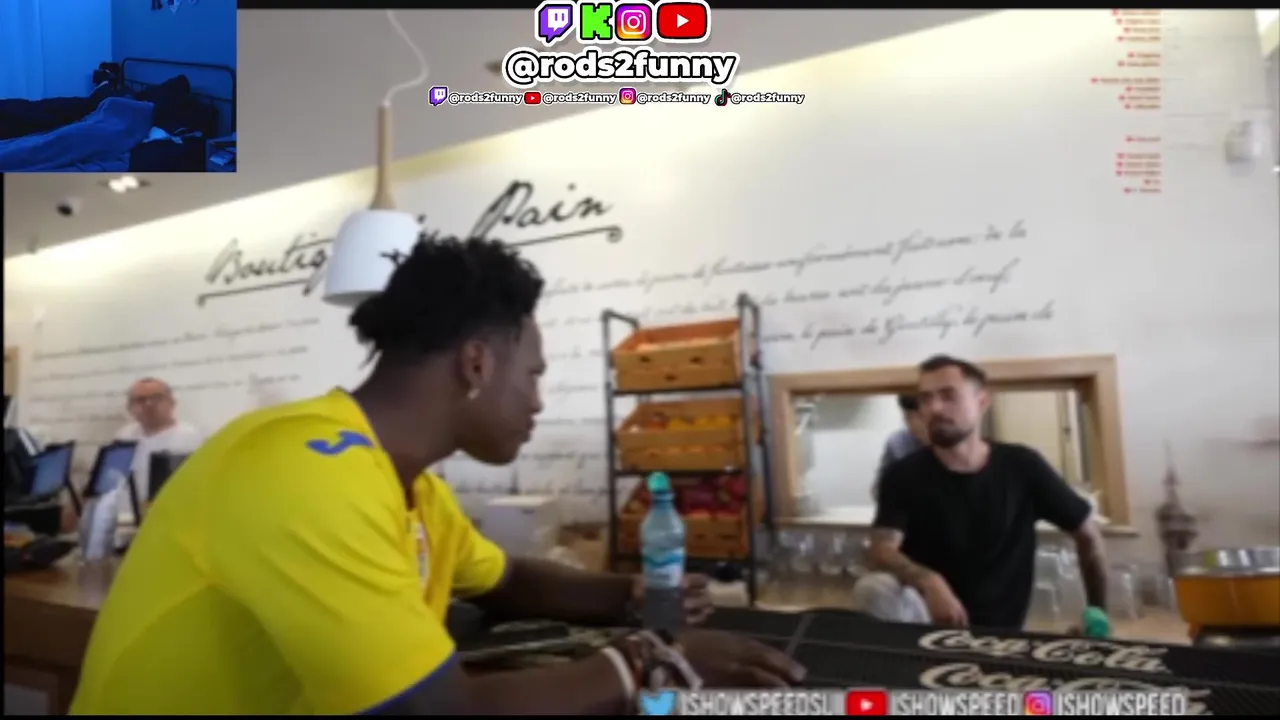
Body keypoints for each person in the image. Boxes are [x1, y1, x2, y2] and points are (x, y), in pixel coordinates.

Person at [70, 239, 803, 716]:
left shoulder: (411, 486)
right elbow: (431, 712)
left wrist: (631, 597)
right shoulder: (302, 469)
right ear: (476, 363)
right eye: (534, 374)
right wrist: (646, 662)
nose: (539, 401)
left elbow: (506, 580)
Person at [852, 355, 1109, 631]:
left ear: (982, 401)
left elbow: (1088, 536)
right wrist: (929, 581)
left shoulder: (1023, 467)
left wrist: (1097, 616)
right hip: (925, 628)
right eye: (926, 399)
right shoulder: (903, 475)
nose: (934, 407)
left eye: (948, 395)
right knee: (873, 588)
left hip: (1000, 635)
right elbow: (882, 550)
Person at [113, 377, 204, 523]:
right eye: (141, 400)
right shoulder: (124, 436)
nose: (149, 404)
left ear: (172, 402)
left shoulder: (191, 438)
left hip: (171, 521)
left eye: (156, 398)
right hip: (124, 520)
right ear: (130, 408)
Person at [870, 394, 928, 501]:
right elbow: (878, 490)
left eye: (920, 416)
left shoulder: (949, 440)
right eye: (908, 416)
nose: (914, 424)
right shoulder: (897, 443)